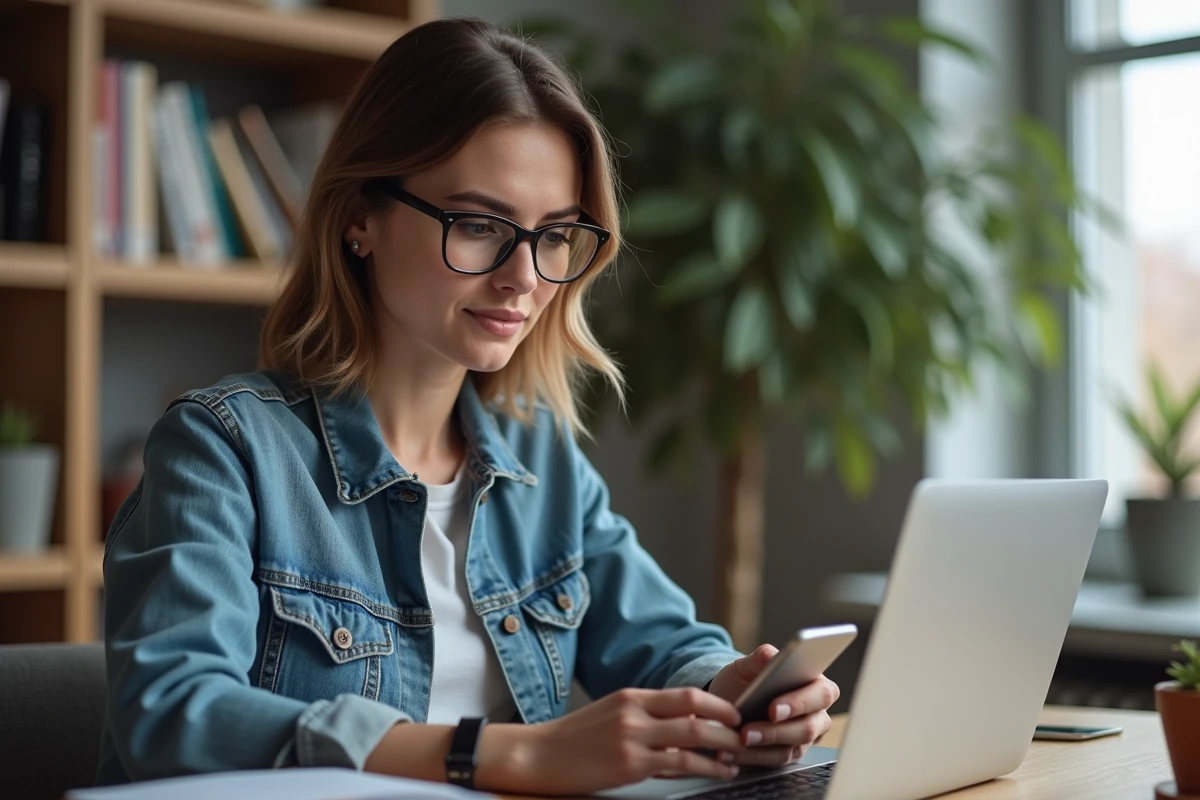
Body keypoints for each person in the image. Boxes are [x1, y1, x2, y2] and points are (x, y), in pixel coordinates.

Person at [97, 17, 839, 796]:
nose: (525, 277)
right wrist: (506, 754)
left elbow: (665, 643)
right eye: (481, 225)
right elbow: (171, 715)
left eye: (554, 236)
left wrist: (744, 694)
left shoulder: (538, 457)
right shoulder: (224, 447)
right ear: (360, 219)